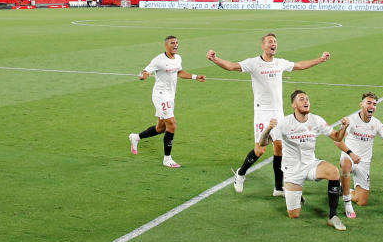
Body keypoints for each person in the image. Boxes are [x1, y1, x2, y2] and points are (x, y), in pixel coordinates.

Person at [206, 33, 330, 196]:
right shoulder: (253, 63)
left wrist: (320, 59)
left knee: (279, 147)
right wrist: (215, 59)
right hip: (262, 112)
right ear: (263, 45)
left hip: (278, 112)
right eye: (270, 41)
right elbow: (231, 66)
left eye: (276, 42)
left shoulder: (280, 63)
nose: (274, 44)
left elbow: (300, 65)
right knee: (260, 150)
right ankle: (241, 173)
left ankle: (278, 188)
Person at [277, 90, 349, 231]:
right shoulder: (284, 123)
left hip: (310, 164)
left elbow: (336, 137)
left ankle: (332, 216)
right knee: (294, 215)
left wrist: (343, 127)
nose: (306, 101)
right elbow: (265, 142)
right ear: (293, 104)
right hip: (292, 170)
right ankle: (294, 192)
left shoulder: (316, 120)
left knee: (333, 172)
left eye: (307, 99)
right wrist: (267, 130)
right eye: (301, 99)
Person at [129, 35, 205, 168]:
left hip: (170, 96)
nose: (175, 45)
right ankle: (167, 159)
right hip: (160, 95)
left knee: (160, 128)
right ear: (166, 45)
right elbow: (146, 71)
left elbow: (179, 72)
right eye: (172, 43)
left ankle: (136, 137)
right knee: (172, 124)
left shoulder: (178, 58)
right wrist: (144, 75)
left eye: (177, 43)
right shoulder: (158, 60)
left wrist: (195, 77)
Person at [335, 92, 383, 219]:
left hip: (364, 163)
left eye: (374, 104)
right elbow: (338, 141)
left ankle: (342, 188)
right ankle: (347, 204)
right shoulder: (351, 120)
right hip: (349, 157)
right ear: (361, 105)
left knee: (362, 201)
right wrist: (351, 154)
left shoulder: (377, 124)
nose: (372, 106)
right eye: (368, 103)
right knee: (345, 165)